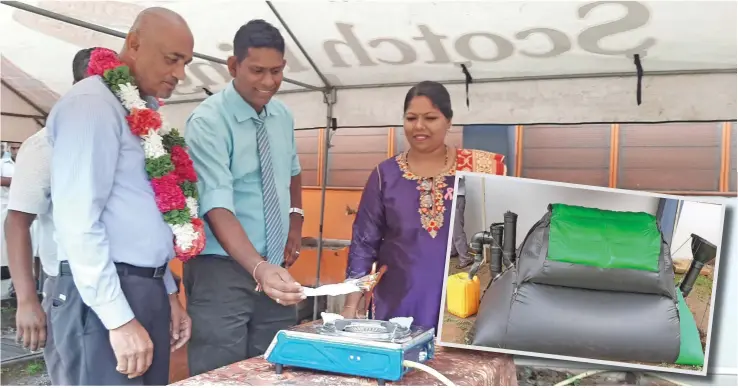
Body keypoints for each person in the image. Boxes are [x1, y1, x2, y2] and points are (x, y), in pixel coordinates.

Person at [46, 8, 195, 385]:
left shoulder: (138, 109)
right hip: (105, 297)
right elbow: (78, 221)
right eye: (171, 59)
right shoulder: (92, 105)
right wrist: (119, 319)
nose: (180, 73)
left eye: (186, 62)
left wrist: (167, 293)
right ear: (134, 43)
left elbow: (142, 212)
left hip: (145, 289)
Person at [184, 19, 306, 376]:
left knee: (275, 368)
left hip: (273, 270)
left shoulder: (282, 115)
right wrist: (258, 266)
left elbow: (293, 171)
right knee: (221, 374)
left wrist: (295, 222)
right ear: (233, 66)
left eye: (277, 71)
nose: (269, 82)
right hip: (220, 270)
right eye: (257, 71)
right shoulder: (208, 121)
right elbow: (216, 204)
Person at [341, 81, 508, 331]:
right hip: (399, 300)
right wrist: (349, 306)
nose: (419, 126)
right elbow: (364, 243)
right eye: (411, 118)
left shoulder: (479, 169)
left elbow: (504, 237)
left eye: (430, 117)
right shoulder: (384, 175)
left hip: (466, 298)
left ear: (449, 121)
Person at [4, 47, 98, 385]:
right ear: (78, 86)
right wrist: (27, 300)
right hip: (68, 285)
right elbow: (17, 222)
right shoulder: (46, 144)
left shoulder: (117, 141)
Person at [450, 175, 473, 268]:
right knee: (453, 228)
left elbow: (456, 178)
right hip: (453, 196)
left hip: (457, 197)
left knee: (457, 230)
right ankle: (453, 251)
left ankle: (465, 258)